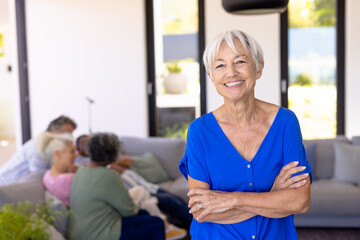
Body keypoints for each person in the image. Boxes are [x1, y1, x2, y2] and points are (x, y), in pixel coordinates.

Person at [179, 30, 312, 239]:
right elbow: (201, 211)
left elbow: (300, 201)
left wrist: (231, 200)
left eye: (240, 61)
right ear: (211, 76)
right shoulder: (199, 132)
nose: (231, 73)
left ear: (258, 67)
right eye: (220, 65)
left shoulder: (286, 123)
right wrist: (273, 196)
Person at [68, 133, 187, 240]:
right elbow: (129, 210)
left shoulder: (81, 172)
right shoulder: (109, 175)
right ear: (111, 154)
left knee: (145, 214)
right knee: (156, 223)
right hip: (100, 233)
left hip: (80, 232)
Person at [0, 115, 77, 185]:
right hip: (7, 185)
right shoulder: (41, 145)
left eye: (71, 134)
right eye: (66, 133)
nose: (69, 137)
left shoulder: (50, 146)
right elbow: (38, 177)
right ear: (53, 130)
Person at [41, 133, 77, 207]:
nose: (76, 155)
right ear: (57, 154)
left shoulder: (47, 176)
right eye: (72, 152)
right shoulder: (69, 179)